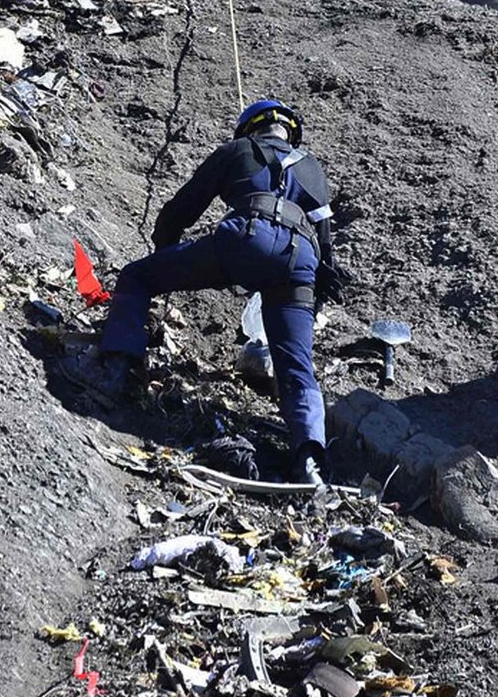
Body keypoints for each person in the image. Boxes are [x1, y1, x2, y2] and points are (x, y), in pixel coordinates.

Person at [60, 99, 346, 486]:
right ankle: (311, 464)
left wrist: (166, 254)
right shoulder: (314, 170)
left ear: (249, 127)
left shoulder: (236, 150)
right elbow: (327, 254)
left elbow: (182, 209)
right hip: (299, 263)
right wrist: (310, 303)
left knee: (137, 278)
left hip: (245, 239)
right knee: (296, 366)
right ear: (289, 133)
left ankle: (114, 373)